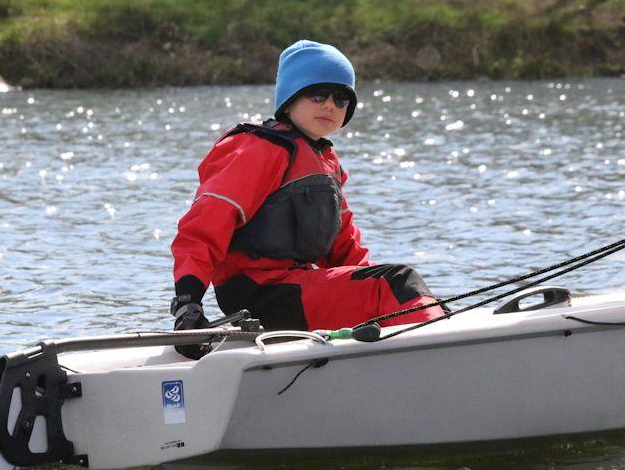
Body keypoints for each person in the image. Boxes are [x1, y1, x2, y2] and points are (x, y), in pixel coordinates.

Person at [170, 40, 445, 358]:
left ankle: (436, 337)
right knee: (397, 283)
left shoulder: (326, 163)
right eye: (318, 95)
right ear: (289, 100)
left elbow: (346, 252)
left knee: (394, 287)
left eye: (341, 99)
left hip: (300, 287)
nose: (330, 105)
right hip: (260, 296)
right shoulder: (254, 148)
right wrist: (188, 306)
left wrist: (367, 291)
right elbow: (204, 227)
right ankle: (444, 352)